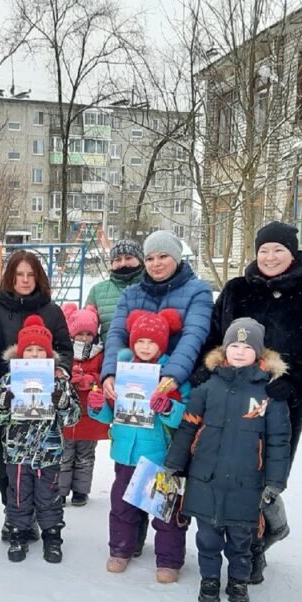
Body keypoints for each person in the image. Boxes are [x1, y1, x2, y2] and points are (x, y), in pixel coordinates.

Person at [200, 221, 302, 583]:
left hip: (280, 402)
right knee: (229, 470)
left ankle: (255, 546)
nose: (270, 257)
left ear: (293, 253)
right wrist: (207, 372)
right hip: (229, 399)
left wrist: (294, 383)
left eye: (278, 250)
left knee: (264, 477)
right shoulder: (235, 290)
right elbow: (216, 337)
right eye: (264, 250)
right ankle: (237, 540)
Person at [164, 318, 291, 602]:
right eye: (234, 345)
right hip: (205, 476)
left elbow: (278, 440)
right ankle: (209, 578)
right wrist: (175, 463)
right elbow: (187, 427)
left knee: (241, 539)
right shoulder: (207, 387)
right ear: (224, 350)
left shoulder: (269, 393)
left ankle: (238, 581)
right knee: (207, 536)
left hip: (247, 481)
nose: (240, 351)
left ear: (258, 352)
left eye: (247, 347)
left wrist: (274, 480)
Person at [101, 229, 213, 556]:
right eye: (149, 257)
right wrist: (110, 372)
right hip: (134, 388)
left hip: (177, 386)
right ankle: (127, 541)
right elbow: (117, 335)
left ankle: (168, 547)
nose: (156, 263)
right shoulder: (133, 293)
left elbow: (193, 336)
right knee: (130, 467)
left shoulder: (197, 291)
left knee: (167, 469)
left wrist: (170, 378)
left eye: (163, 256)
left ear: (176, 258)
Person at [88, 309, 189, 581]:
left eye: (152, 342)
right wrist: (98, 407)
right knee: (122, 506)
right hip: (125, 454)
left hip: (159, 455)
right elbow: (112, 412)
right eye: (140, 341)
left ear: (163, 343)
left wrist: (168, 407)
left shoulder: (171, 376)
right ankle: (121, 549)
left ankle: (168, 560)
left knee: (163, 511)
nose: (145, 347)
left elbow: (187, 415)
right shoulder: (121, 372)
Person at [0, 250, 72, 529]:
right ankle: (14, 515)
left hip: (43, 405)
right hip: (8, 401)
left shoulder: (51, 311)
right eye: (19, 274)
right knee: (6, 458)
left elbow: (64, 350)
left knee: (43, 464)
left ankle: (39, 516)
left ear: (39, 277)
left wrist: (60, 374)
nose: (25, 280)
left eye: (30, 274)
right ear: (10, 277)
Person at [0, 316, 80, 563]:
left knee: (49, 496)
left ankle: (52, 537)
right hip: (17, 452)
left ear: (48, 354)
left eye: (40, 350)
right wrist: (2, 403)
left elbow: (72, 418)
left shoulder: (59, 380)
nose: (35, 354)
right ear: (20, 352)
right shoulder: (8, 380)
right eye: (30, 349)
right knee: (18, 495)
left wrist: (62, 402)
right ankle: (18, 533)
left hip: (48, 451)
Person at [58, 303, 109, 506]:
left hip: (90, 414)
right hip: (68, 413)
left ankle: (81, 490)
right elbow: (58, 373)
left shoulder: (99, 353)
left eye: (89, 334)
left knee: (86, 455)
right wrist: (69, 378)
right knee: (64, 453)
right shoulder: (65, 353)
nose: (85, 338)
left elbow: (106, 375)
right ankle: (61, 490)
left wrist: (92, 379)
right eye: (80, 334)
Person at [85, 239, 146, 340]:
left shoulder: (151, 286)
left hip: (147, 352)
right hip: (109, 352)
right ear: (111, 263)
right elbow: (86, 328)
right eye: (118, 259)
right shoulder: (97, 291)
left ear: (140, 260)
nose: (123, 263)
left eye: (128, 258)